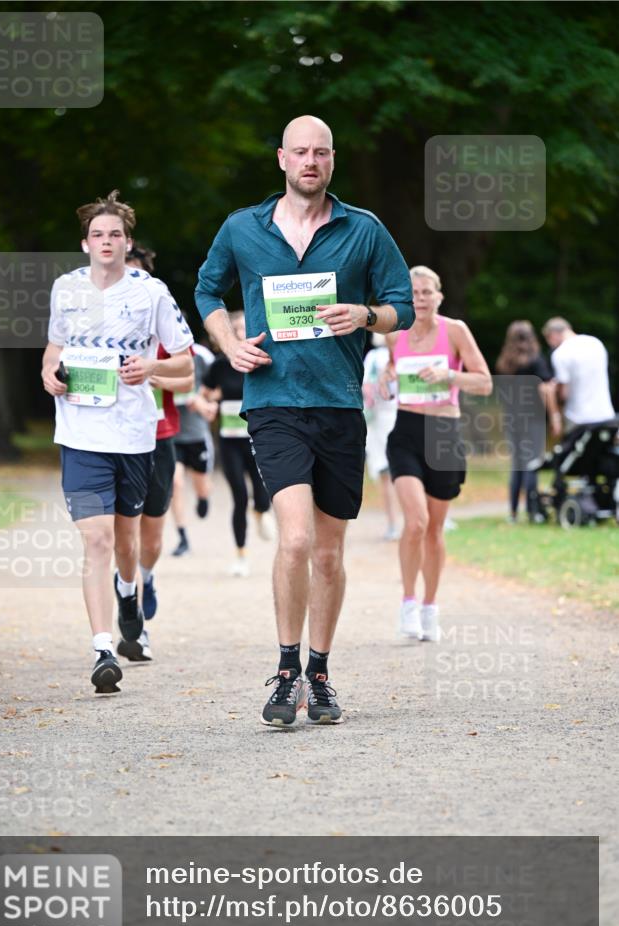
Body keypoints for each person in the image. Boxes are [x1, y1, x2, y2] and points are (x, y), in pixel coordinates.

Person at [195, 115, 414, 726]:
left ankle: (319, 673)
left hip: (341, 404)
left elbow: (400, 305)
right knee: (294, 539)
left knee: (328, 553)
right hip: (273, 401)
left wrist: (365, 316)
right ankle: (286, 667)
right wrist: (227, 346)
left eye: (321, 151)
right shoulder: (243, 228)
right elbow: (208, 291)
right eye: (300, 152)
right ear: (282, 160)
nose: (310, 161)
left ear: (332, 161)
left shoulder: (364, 230)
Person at [42, 192, 193, 692]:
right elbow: (55, 347)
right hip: (81, 433)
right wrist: (50, 373)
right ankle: (103, 647)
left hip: (133, 435)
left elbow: (187, 364)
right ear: (85, 243)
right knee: (98, 539)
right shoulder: (65, 289)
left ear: (128, 243)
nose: (107, 242)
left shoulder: (151, 293)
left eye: (115, 235)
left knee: (128, 542)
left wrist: (151, 367)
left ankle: (129, 593)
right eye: (98, 235)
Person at [381, 265, 492, 642]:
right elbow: (394, 372)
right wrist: (386, 378)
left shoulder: (456, 331)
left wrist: (449, 377)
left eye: (427, 292)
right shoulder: (395, 336)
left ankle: (430, 606)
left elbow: (484, 381)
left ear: (438, 296)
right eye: (413, 293)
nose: (420, 299)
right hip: (406, 433)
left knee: (433, 529)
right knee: (415, 522)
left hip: (445, 434)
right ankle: (408, 603)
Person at [119, 245, 195, 661]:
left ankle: (144, 578)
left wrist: (149, 375)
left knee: (151, 534)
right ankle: (129, 604)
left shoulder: (162, 323)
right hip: (113, 438)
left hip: (159, 434)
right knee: (119, 531)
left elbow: (186, 381)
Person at [200, 311, 274, 577]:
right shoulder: (220, 366)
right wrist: (209, 405)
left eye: (245, 327)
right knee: (239, 497)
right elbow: (204, 394)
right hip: (229, 441)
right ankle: (241, 555)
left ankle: (262, 509)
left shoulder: (264, 362)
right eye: (236, 329)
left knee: (262, 492)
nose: (241, 332)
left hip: (259, 439)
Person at [495, 320, 553, 523]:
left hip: (511, 419)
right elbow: (545, 388)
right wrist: (553, 415)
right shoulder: (536, 361)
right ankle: (532, 511)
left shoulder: (504, 363)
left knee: (517, 465)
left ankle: (512, 512)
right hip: (534, 419)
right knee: (532, 464)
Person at [170, 339, 217, 558]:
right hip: (171, 434)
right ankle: (182, 537)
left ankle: (203, 496)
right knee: (175, 482)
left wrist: (205, 401)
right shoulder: (157, 355)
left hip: (197, 434)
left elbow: (217, 387)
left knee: (202, 485)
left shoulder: (202, 356)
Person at [542, 317, 615, 436]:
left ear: (553, 335)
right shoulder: (596, 343)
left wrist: (552, 392)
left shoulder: (561, 353)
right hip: (605, 414)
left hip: (578, 419)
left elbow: (563, 394)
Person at [362, 332, 400, 540]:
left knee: (403, 474)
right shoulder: (374, 357)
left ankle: (402, 522)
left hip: (397, 418)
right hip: (379, 422)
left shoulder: (404, 354)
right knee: (386, 474)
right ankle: (393, 523)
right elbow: (366, 389)